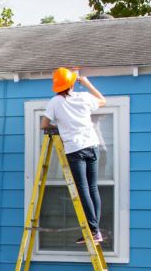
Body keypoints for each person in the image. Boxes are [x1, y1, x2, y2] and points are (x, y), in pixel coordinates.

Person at [41, 67, 107, 244]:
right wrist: (86, 83)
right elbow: (102, 100)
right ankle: (96, 230)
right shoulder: (84, 97)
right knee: (93, 187)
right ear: (71, 84)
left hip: (75, 148)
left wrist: (58, 128)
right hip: (92, 145)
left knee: (83, 188)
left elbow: (43, 124)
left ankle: (93, 231)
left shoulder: (55, 102)